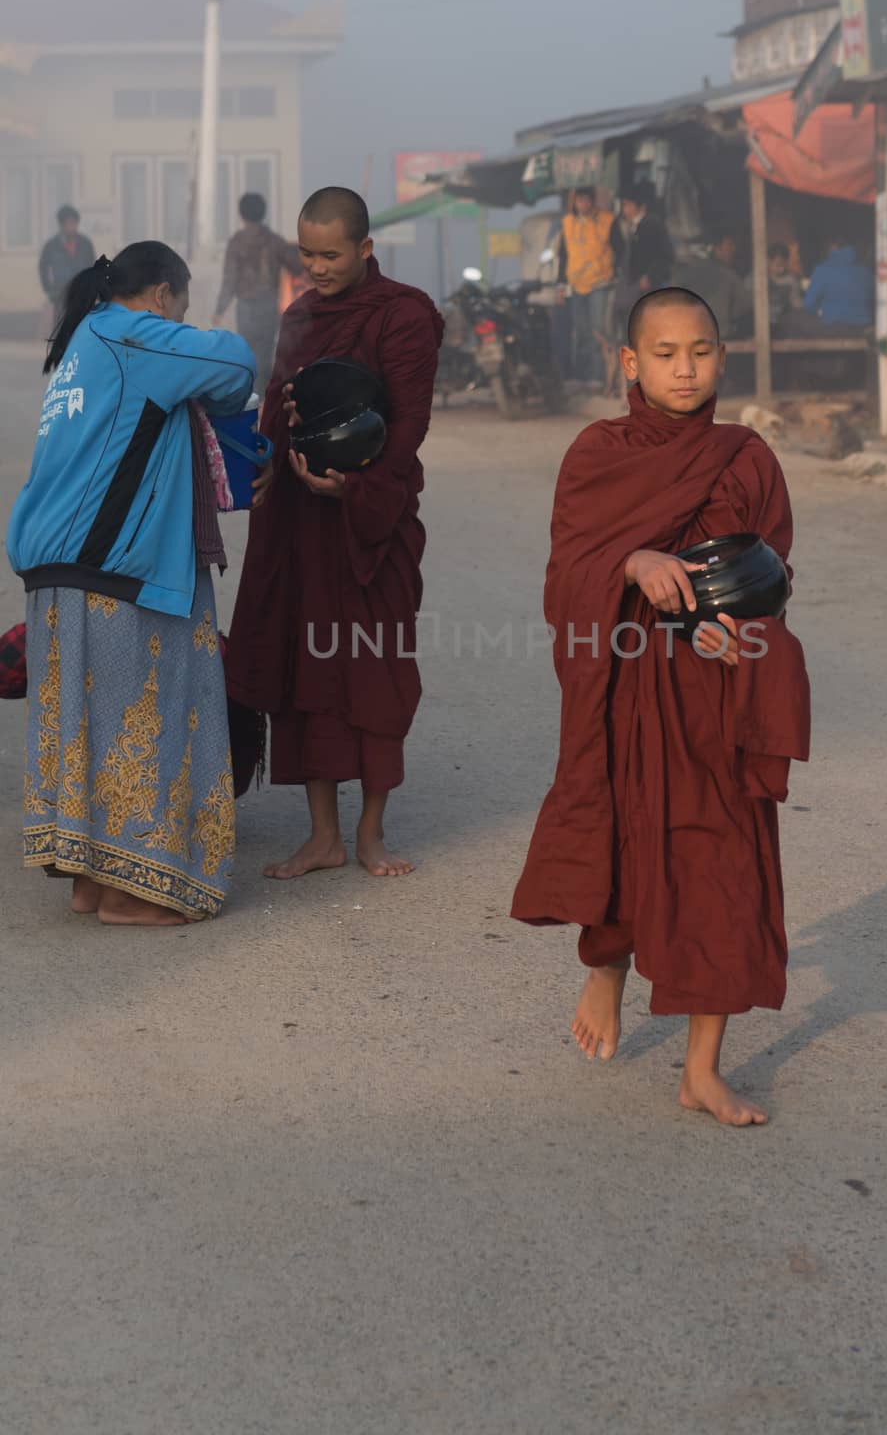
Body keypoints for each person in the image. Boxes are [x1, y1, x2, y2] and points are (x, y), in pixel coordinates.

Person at [511, 287, 810, 1126]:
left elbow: (771, 576)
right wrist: (632, 561)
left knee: (719, 864)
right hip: (628, 691)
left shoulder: (746, 457)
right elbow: (569, 570)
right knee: (623, 837)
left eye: (703, 351)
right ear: (630, 363)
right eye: (668, 353)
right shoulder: (599, 453)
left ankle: (702, 1071)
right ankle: (607, 968)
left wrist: (744, 640)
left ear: (723, 356)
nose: (687, 369)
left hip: (715, 698)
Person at [7, 243, 256, 925]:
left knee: (86, 733)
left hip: (58, 572)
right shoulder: (132, 332)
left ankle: (90, 885)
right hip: (116, 573)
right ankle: (131, 894)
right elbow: (235, 364)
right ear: (160, 296)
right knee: (141, 728)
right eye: (180, 304)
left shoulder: (86, 342)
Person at [223, 187, 443, 880]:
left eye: (330, 255)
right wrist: (259, 465)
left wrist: (360, 488)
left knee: (373, 672)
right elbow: (276, 408)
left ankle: (371, 833)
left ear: (365, 250)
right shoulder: (300, 317)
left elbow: (408, 422)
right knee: (305, 673)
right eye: (308, 253)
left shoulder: (403, 315)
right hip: (299, 520)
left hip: (369, 521)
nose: (315, 267)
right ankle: (323, 836)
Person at [212, 192, 302, 393]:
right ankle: (263, 397)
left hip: (245, 307)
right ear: (264, 213)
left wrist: (219, 309)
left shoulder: (236, 242)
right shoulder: (275, 241)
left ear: (241, 214)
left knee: (248, 353)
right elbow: (297, 266)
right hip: (269, 306)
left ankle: (250, 396)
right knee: (266, 352)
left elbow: (229, 280)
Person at [610, 187, 675, 388]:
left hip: (648, 290)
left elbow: (665, 257)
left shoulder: (651, 225)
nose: (625, 209)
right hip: (634, 290)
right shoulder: (631, 227)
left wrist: (650, 277)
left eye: (628, 205)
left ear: (641, 207)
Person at [558, 187, 615, 384]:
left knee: (597, 331)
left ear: (593, 201)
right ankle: (582, 378)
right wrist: (561, 285)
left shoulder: (607, 221)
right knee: (581, 332)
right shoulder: (567, 223)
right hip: (575, 285)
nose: (583, 204)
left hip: (599, 284)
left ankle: (597, 378)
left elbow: (619, 248)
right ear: (574, 202)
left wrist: (613, 274)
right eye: (579, 200)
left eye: (587, 200)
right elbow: (563, 256)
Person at [675, 233, 751, 338]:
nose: (733, 249)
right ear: (716, 248)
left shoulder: (683, 273)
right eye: (729, 245)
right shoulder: (728, 275)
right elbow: (743, 307)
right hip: (719, 336)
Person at [39, 206, 95, 329]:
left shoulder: (85, 244)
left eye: (73, 223)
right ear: (61, 225)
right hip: (60, 293)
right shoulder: (51, 246)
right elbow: (43, 268)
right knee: (61, 329)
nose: (71, 227)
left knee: (81, 327)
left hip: (81, 292)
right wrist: (48, 289)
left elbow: (93, 267)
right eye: (67, 223)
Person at [801, 240, 874, 330]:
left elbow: (809, 304)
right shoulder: (865, 272)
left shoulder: (822, 270)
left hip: (833, 327)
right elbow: (873, 298)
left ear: (833, 248)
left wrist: (823, 312)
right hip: (863, 328)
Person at [768, 242, 804, 330]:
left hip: (783, 324)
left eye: (783, 264)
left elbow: (796, 303)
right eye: (777, 264)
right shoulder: (759, 280)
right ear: (769, 262)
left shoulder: (791, 280)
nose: (781, 268)